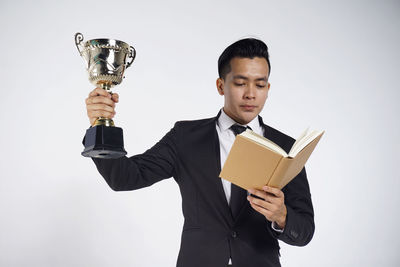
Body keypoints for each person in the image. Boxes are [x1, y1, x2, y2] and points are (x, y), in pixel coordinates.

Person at [84, 38, 314, 267]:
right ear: (221, 85)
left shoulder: (286, 147)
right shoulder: (185, 137)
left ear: (268, 88)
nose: (251, 94)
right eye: (241, 83)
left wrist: (281, 216)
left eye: (260, 85)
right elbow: (125, 177)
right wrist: (99, 125)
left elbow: (305, 231)